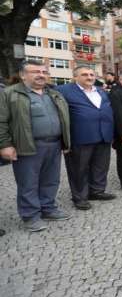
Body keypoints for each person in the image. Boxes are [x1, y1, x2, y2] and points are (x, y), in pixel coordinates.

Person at [0, 60, 71, 231]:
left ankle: (48, 208)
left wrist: (66, 141)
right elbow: (1, 121)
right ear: (23, 75)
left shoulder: (53, 93)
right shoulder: (9, 94)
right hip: (27, 146)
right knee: (28, 183)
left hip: (54, 144)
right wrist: (5, 145)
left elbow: (64, 118)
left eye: (44, 71)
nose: (41, 75)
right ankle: (30, 216)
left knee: (51, 180)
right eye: (35, 71)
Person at [56, 66, 116, 211]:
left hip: (103, 135)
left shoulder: (101, 91)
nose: (89, 77)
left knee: (100, 166)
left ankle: (97, 191)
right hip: (80, 137)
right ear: (75, 77)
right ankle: (80, 197)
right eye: (84, 75)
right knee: (78, 169)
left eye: (91, 74)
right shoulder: (63, 91)